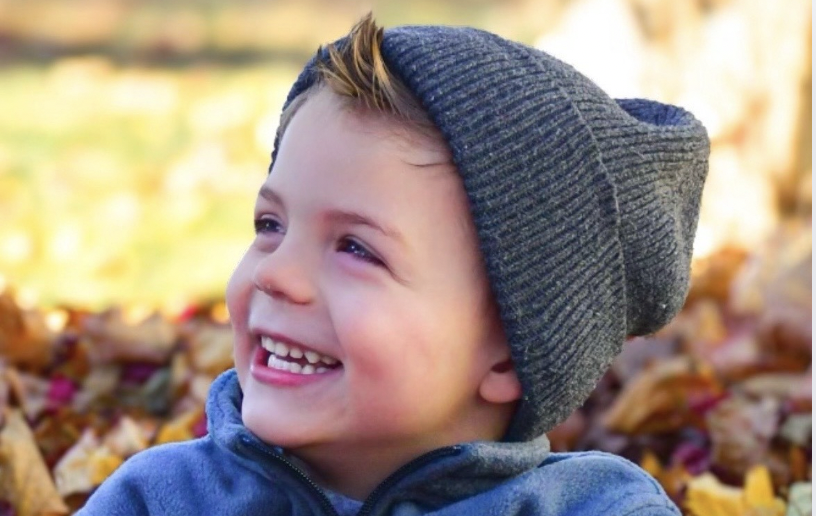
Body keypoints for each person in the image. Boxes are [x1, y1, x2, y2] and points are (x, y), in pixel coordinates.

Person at [77, 13, 709, 516]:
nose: (274, 274)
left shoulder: (593, 510)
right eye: (270, 225)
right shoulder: (164, 498)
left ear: (512, 354)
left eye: (356, 248)